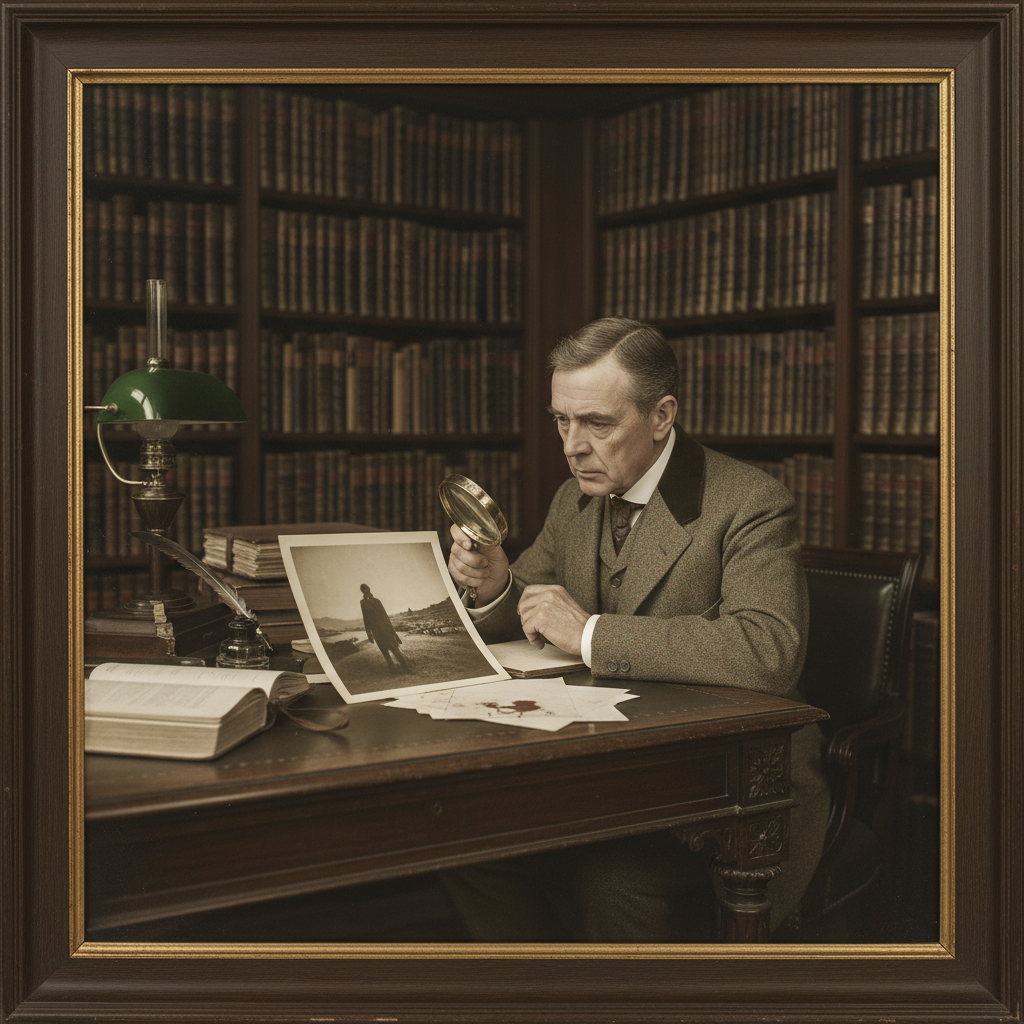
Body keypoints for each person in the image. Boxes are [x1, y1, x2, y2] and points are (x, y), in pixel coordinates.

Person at [443, 316, 829, 943]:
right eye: (561, 420)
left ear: (661, 416)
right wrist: (492, 585)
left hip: (733, 789)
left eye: (597, 423)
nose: (571, 445)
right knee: (469, 848)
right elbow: (530, 599)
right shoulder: (575, 499)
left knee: (610, 878)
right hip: (607, 772)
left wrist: (592, 633)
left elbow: (769, 650)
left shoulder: (750, 502)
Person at [359, 583, 411, 675]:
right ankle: (393, 671)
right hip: (376, 632)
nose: (366, 591)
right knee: (384, 652)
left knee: (395, 649)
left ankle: (406, 668)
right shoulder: (362, 603)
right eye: (363, 590)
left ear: (369, 589)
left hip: (385, 629)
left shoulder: (377, 601)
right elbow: (366, 619)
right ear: (362, 592)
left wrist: (394, 633)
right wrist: (369, 634)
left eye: (367, 589)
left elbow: (385, 617)